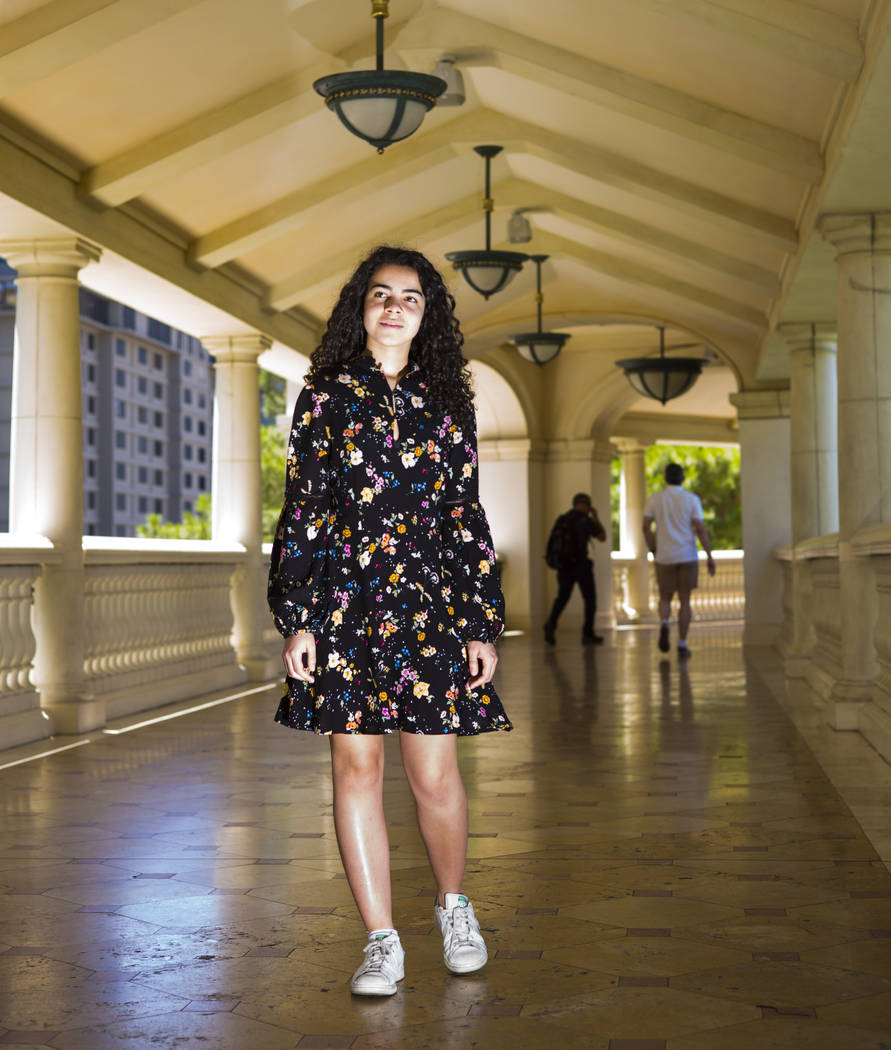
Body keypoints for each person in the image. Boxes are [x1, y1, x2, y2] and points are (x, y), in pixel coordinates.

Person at [267, 245, 511, 998]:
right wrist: (298, 616)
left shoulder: (448, 401)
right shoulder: (324, 397)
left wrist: (479, 621)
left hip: (430, 606)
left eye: (410, 296)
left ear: (427, 313)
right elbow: (304, 507)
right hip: (345, 604)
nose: (394, 306)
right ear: (360, 308)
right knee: (356, 767)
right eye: (380, 294)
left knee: (433, 771)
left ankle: (452, 907)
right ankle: (380, 940)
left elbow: (463, 512)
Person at [642, 462, 715, 659]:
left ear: (665, 478)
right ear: (682, 478)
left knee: (665, 597)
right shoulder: (691, 500)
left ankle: (664, 622)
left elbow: (645, 527)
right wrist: (709, 555)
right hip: (687, 555)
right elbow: (699, 528)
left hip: (664, 556)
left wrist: (653, 549)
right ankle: (682, 644)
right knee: (685, 600)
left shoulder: (655, 499)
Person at [543, 493, 607, 645]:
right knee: (590, 599)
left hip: (564, 566)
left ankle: (550, 624)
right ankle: (588, 633)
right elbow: (602, 537)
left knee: (562, 598)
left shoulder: (563, 519)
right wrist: (595, 517)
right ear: (586, 505)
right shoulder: (585, 520)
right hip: (581, 565)